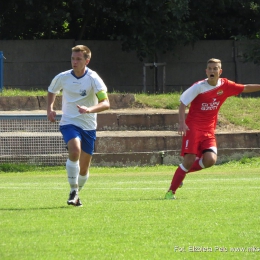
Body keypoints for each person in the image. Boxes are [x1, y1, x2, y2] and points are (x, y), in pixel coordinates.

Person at [165, 58, 260, 200]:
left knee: (210, 160)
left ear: (220, 71)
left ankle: (181, 174)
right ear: (206, 71)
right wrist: (181, 122)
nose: (212, 71)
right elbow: (183, 102)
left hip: (209, 130)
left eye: (215, 68)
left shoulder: (225, 85)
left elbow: (244, 87)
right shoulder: (199, 87)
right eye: (210, 68)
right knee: (189, 159)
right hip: (193, 128)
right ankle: (170, 192)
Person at [47, 45, 110, 206]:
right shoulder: (63, 77)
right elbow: (52, 90)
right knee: (74, 151)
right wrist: (50, 108)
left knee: (84, 169)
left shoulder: (94, 79)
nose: (74, 62)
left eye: (78, 59)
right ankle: (74, 190)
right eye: (73, 58)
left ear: (86, 61)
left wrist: (89, 109)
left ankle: (76, 193)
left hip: (88, 126)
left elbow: (106, 103)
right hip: (69, 122)